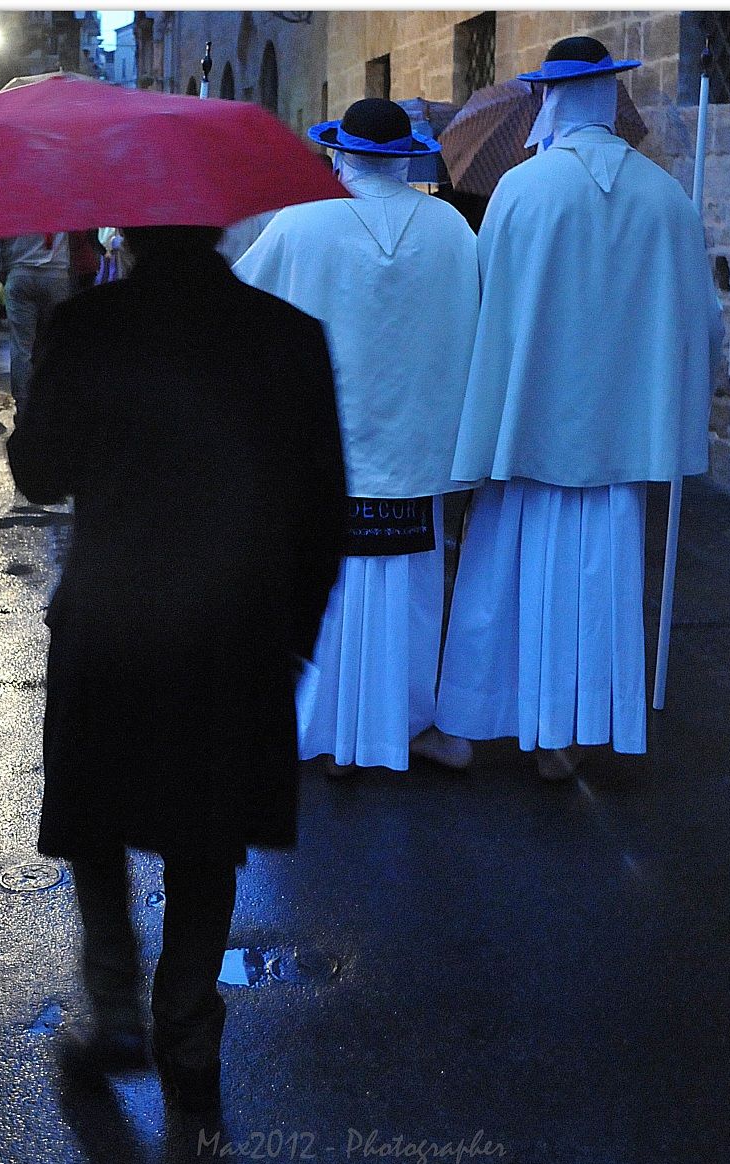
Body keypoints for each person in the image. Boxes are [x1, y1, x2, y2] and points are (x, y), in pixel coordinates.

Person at [6, 224, 346, 1112]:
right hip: (234, 629)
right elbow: (323, 504)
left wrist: (49, 377)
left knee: (94, 816)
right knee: (208, 829)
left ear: (137, 230)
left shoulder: (87, 328)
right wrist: (293, 635)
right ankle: (187, 1024)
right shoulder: (287, 334)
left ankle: (114, 1001)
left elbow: (37, 472)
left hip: (112, 621)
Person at [435, 37, 724, 779]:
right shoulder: (667, 198)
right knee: (599, 585)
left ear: (553, 99)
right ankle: (575, 726)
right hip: (619, 434)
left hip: (530, 422)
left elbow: (483, 303)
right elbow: (701, 320)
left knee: (511, 577)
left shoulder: (522, 192)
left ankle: (505, 718)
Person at [234, 98, 480, 776]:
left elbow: (240, 306)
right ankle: (406, 725)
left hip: (329, 443)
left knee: (332, 587)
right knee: (413, 593)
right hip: (418, 442)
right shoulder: (451, 228)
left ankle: (336, 731)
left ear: (340, 150)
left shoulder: (301, 222)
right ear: (406, 155)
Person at [0, 232, 71, 409]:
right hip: (57, 273)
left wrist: (1, 273)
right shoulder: (62, 203)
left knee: (22, 347)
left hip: (20, 272)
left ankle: (23, 404)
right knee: (53, 344)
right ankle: (51, 399)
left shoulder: (11, 204)